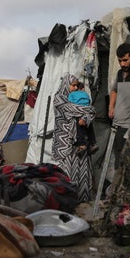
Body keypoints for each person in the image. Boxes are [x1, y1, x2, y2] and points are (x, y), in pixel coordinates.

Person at [52, 74, 96, 202]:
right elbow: (78, 110)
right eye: (73, 85)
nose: (76, 88)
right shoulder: (59, 99)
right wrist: (90, 111)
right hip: (65, 143)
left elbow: (87, 112)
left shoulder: (75, 97)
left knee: (82, 171)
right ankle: (67, 201)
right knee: (67, 173)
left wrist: (87, 114)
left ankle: (82, 200)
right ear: (66, 84)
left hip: (81, 141)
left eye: (77, 85)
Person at [68, 80, 98, 155]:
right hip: (87, 114)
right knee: (89, 127)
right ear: (82, 88)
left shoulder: (72, 94)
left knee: (79, 128)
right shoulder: (86, 94)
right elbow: (89, 103)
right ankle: (93, 143)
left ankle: (82, 144)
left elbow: (70, 104)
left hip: (79, 114)